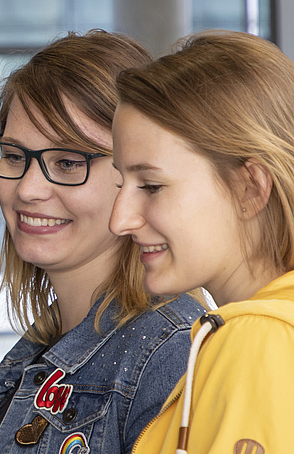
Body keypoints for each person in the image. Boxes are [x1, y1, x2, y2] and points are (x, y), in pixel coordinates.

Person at [0, 30, 206, 454]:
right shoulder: (43, 349)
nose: (29, 189)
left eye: (68, 162)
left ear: (137, 176)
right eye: (15, 156)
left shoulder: (169, 352)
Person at [110, 30, 294, 453]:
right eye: (122, 183)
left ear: (250, 189)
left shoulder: (257, 340)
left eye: (151, 186)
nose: (119, 219)